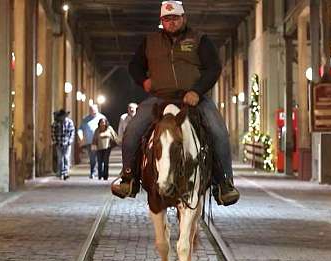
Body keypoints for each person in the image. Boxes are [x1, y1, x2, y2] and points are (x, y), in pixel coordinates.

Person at [111, 0, 239, 206]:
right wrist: (144, 81)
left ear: (184, 18)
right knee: (133, 130)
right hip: (160, 97)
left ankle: (224, 183)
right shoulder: (150, 41)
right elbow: (134, 65)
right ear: (162, 21)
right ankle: (129, 177)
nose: (171, 22)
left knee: (218, 131)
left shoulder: (200, 40)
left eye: (175, 18)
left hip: (194, 99)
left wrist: (197, 91)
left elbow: (213, 67)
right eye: (166, 19)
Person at [78, 104, 106, 178]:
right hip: (90, 142)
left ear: (97, 109)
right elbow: (80, 128)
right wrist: (81, 137)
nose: (93, 111)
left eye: (94, 110)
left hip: (101, 142)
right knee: (92, 158)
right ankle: (93, 172)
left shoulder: (102, 117)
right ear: (89, 110)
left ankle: (101, 172)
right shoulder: (86, 119)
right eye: (91, 110)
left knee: (101, 157)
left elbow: (107, 128)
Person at [51, 109, 75, 180]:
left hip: (67, 143)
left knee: (66, 158)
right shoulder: (55, 123)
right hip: (59, 143)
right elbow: (53, 133)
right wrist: (55, 142)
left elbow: (72, 132)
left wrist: (70, 140)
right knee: (60, 158)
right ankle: (60, 172)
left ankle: (66, 172)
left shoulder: (69, 122)